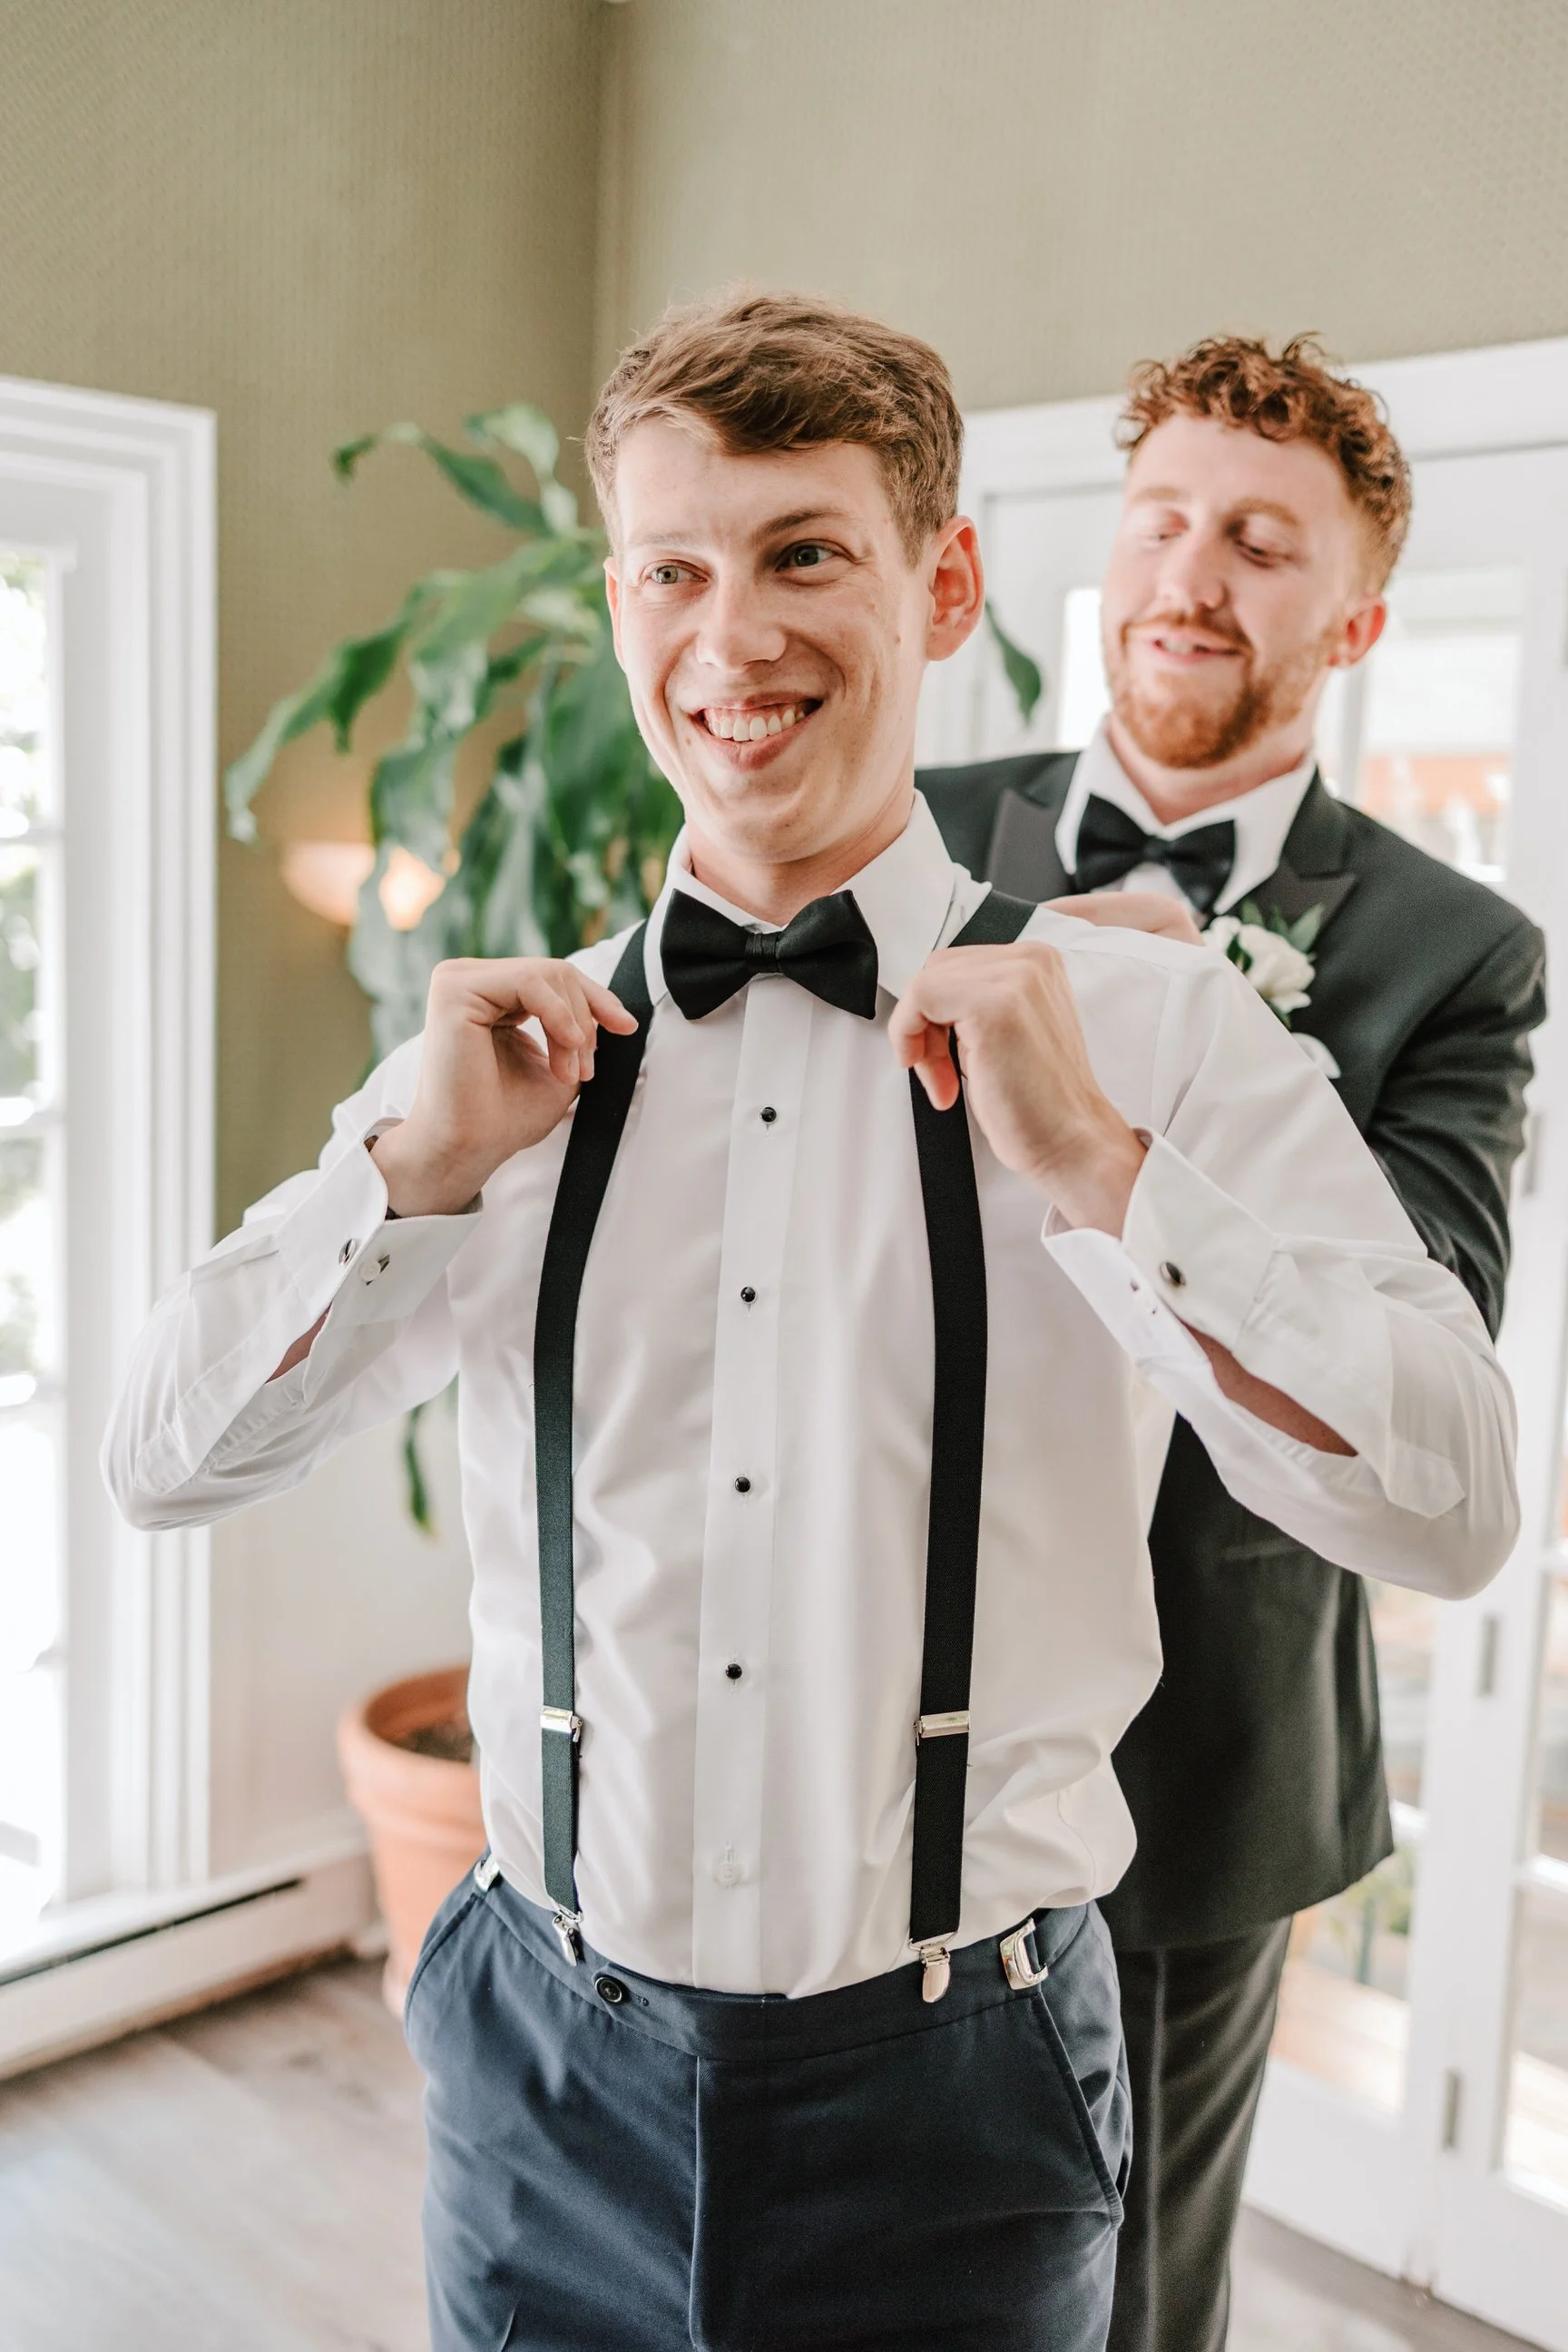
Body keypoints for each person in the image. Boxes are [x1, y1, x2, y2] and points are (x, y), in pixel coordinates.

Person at [105, 297, 1520, 2352]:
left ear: (944, 584)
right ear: (617, 603)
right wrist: (402, 1175)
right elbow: (158, 1458)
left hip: (967, 2095)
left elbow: (1458, 1503)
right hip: (542, 2073)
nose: (730, 634)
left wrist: (1120, 1182)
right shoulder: (506, 1054)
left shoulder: (1160, 1036)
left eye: (803, 555)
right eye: (675, 566)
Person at [921, 334, 1547, 2352]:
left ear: (1352, 615)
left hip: (1210, 1741)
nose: (1195, 573)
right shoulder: (935, 823)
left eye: (1262, 544)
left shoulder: (1455, 948)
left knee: (1130, 2290)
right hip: (900, 1690)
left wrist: (1209, 1058)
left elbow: (1423, 1321)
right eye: (1166, 521)